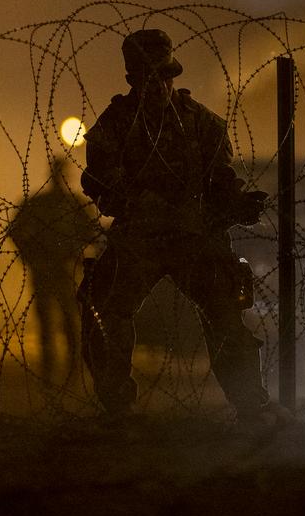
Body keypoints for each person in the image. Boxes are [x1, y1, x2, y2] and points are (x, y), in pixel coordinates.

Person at [79, 28, 277, 423]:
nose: (160, 86)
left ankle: (251, 404)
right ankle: (118, 406)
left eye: (166, 77)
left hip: (193, 237)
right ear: (134, 80)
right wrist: (132, 199)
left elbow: (221, 180)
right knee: (104, 308)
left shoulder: (202, 123)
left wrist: (236, 204)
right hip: (139, 239)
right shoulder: (113, 125)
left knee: (224, 312)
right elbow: (98, 183)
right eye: (151, 78)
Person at [8, 156, 99, 386]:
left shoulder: (73, 205)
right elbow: (16, 231)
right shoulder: (46, 204)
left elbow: (93, 234)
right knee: (50, 323)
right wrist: (30, 256)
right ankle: (55, 373)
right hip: (48, 268)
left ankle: (71, 373)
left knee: (68, 322)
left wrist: (78, 253)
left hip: (64, 269)